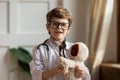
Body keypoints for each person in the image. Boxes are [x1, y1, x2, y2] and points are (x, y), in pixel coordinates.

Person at [29, 7, 91, 80]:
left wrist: (81, 73)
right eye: (55, 24)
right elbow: (36, 75)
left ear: (68, 29)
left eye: (63, 25)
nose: (59, 28)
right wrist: (55, 70)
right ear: (48, 26)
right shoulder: (39, 50)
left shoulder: (76, 48)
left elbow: (87, 77)